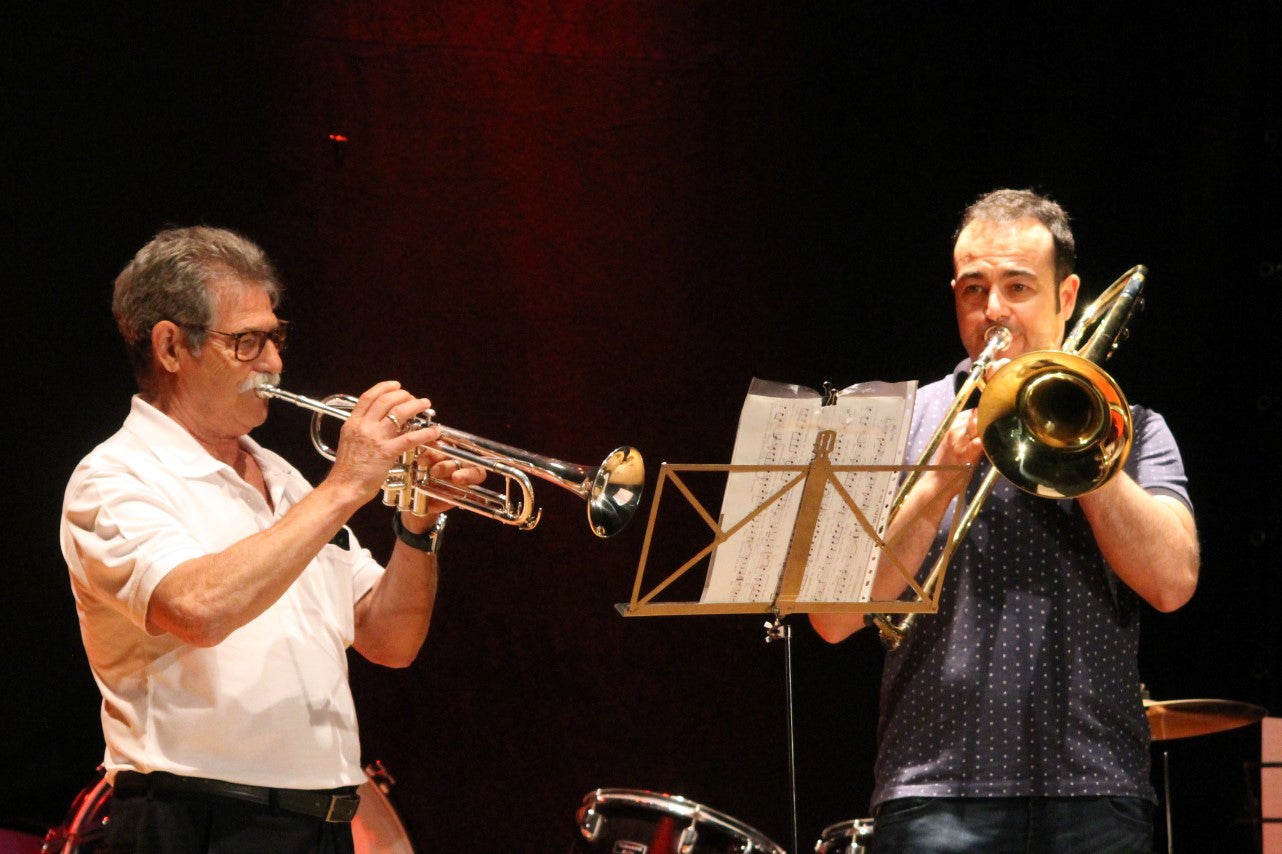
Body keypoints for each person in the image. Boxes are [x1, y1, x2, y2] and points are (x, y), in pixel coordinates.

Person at [60, 226, 484, 853]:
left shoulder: (284, 479)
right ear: (171, 347)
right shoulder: (114, 478)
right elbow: (198, 610)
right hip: (199, 823)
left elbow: (391, 640)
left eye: (275, 338)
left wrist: (416, 527)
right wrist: (345, 485)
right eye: (247, 342)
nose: (275, 363)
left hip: (322, 825)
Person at [809, 189, 1199, 852]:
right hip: (933, 794)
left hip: (1094, 793)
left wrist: (1086, 451)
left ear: (1066, 297)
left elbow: (1172, 583)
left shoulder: (1134, 430)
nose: (993, 310)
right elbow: (831, 618)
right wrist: (939, 479)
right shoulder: (897, 422)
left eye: (1018, 287)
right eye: (974, 289)